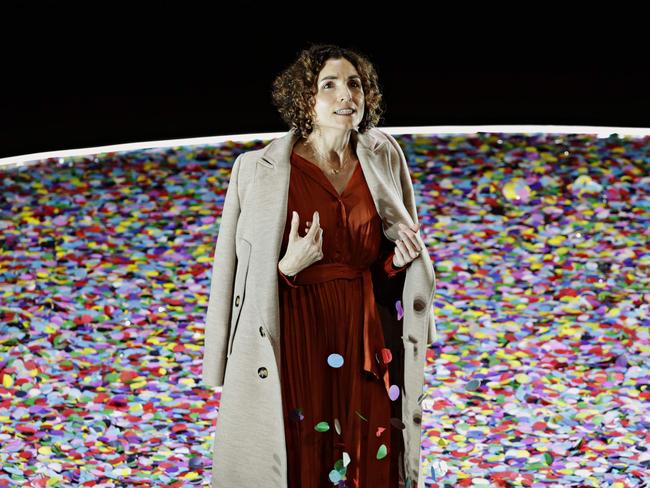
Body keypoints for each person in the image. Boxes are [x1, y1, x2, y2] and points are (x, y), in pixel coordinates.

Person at [203, 43, 433, 488]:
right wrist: (287, 266)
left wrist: (397, 265)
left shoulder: (384, 156)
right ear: (305, 99)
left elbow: (387, 257)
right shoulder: (258, 169)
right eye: (329, 85)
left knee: (369, 442)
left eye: (354, 84)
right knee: (301, 444)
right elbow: (231, 272)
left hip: (363, 329)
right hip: (296, 332)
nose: (346, 94)